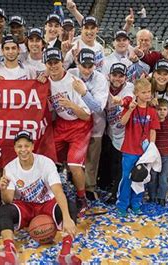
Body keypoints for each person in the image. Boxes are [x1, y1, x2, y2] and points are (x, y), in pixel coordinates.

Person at [0, 130, 81, 265]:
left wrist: (67, 218)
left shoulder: (46, 163)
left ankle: (65, 252)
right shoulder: (10, 168)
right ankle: (9, 251)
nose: (23, 150)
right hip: (26, 207)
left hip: (46, 203)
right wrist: (3, 189)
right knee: (4, 210)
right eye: (19, 146)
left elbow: (58, 191)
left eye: (26, 146)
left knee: (70, 206)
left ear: (32, 146)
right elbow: (8, 201)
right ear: (15, 148)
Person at [44, 47, 92, 215]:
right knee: (47, 158)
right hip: (62, 124)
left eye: (56, 62)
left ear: (62, 63)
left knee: (74, 164)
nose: (53, 66)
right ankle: (49, 194)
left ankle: (81, 197)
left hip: (80, 125)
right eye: (49, 63)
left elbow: (87, 115)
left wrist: (72, 105)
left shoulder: (74, 82)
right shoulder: (45, 81)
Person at [67, 48, 108, 200]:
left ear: (95, 65)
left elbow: (98, 107)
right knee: (73, 158)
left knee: (91, 158)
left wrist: (83, 93)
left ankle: (89, 188)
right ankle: (75, 185)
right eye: (84, 65)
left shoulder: (100, 79)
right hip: (73, 125)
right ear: (78, 63)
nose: (87, 69)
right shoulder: (70, 74)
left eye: (90, 66)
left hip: (95, 126)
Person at [117, 78, 160, 216]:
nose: (147, 95)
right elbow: (122, 123)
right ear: (136, 93)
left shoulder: (152, 111)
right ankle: (122, 204)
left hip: (144, 151)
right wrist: (130, 110)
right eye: (144, 92)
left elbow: (153, 129)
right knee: (126, 178)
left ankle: (136, 203)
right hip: (129, 149)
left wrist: (151, 148)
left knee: (140, 177)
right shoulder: (130, 107)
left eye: (149, 92)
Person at [99, 63, 134, 204]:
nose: (117, 79)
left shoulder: (129, 87)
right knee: (108, 160)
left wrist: (122, 101)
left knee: (119, 164)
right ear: (109, 76)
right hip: (109, 129)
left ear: (126, 78)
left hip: (124, 132)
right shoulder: (103, 85)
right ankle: (106, 185)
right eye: (115, 75)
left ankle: (116, 193)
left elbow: (129, 98)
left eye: (121, 76)